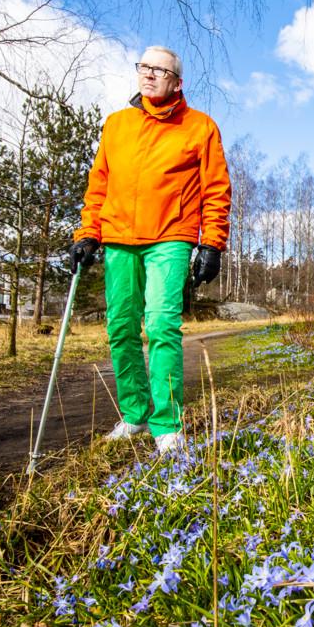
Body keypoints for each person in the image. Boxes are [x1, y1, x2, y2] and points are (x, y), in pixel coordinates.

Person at [69, 46, 231, 456]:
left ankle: (167, 423)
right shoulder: (117, 125)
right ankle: (135, 412)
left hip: (170, 237)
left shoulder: (200, 128)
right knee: (121, 327)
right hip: (119, 238)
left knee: (160, 324)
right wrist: (87, 233)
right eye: (144, 67)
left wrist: (212, 243)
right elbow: (98, 184)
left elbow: (216, 190)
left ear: (177, 82)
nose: (149, 75)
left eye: (160, 70)